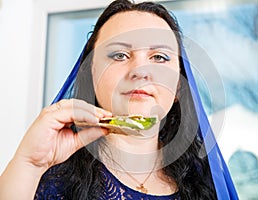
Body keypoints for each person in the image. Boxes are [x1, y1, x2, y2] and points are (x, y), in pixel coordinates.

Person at [0, 0, 238, 199]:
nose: (140, 70)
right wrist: (29, 165)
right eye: (119, 54)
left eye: (159, 57)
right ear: (91, 74)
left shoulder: (208, 183)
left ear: (179, 85)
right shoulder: (45, 179)